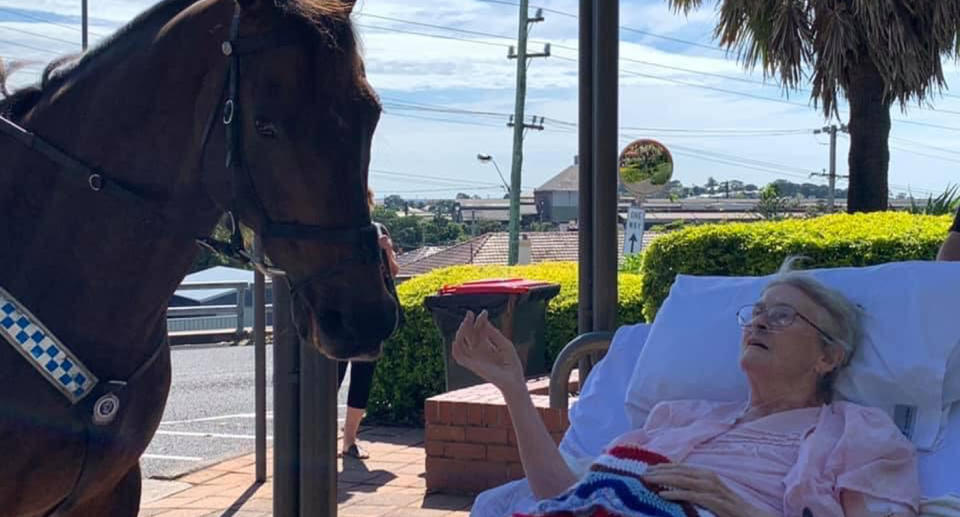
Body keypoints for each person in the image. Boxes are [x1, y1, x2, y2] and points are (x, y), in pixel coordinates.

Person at [453, 258, 920, 517]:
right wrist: (512, 386)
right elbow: (561, 494)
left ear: (828, 356)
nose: (758, 321)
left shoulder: (855, 433)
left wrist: (740, 510)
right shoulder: (678, 418)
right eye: (756, 313)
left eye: (781, 316)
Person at [338, 189, 401, 459]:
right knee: (332, 377)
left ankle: (349, 440)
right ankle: (323, 436)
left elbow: (393, 271)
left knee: (363, 379)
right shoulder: (337, 232)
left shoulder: (378, 230)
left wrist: (387, 250)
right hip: (340, 314)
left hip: (369, 314)